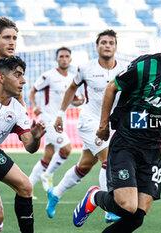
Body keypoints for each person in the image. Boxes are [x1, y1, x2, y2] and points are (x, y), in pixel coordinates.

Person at [73, 15, 161, 232]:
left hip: (153, 150)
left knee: (136, 218)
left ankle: (98, 198)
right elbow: (111, 88)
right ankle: (95, 196)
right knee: (127, 206)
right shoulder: (145, 66)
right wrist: (104, 125)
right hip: (126, 143)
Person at [47, 30, 125, 223]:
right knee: (109, 160)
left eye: (111, 43)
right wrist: (60, 114)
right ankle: (109, 207)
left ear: (115, 47)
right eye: (103, 42)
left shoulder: (125, 68)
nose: (107, 45)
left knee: (85, 165)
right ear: (96, 46)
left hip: (111, 123)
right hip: (90, 122)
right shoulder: (86, 68)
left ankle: (55, 193)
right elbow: (72, 88)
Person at [0, 56, 46, 233]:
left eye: (23, 75)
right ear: (2, 78)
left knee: (24, 187)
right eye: (17, 75)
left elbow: (30, 147)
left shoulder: (18, 111)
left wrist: (35, 138)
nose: (23, 80)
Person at [28, 47, 84, 192]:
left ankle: (27, 188)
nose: (64, 59)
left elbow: (74, 101)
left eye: (67, 56)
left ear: (70, 59)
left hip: (60, 121)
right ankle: (48, 175)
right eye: (61, 56)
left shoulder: (73, 78)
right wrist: (34, 106)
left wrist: (82, 100)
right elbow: (32, 91)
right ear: (56, 59)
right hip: (47, 119)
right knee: (66, 148)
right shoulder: (48, 76)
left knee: (47, 158)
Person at [0, 17, 25, 106]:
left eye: (14, 38)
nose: (12, 42)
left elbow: (20, 101)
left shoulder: (16, 68)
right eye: (7, 37)